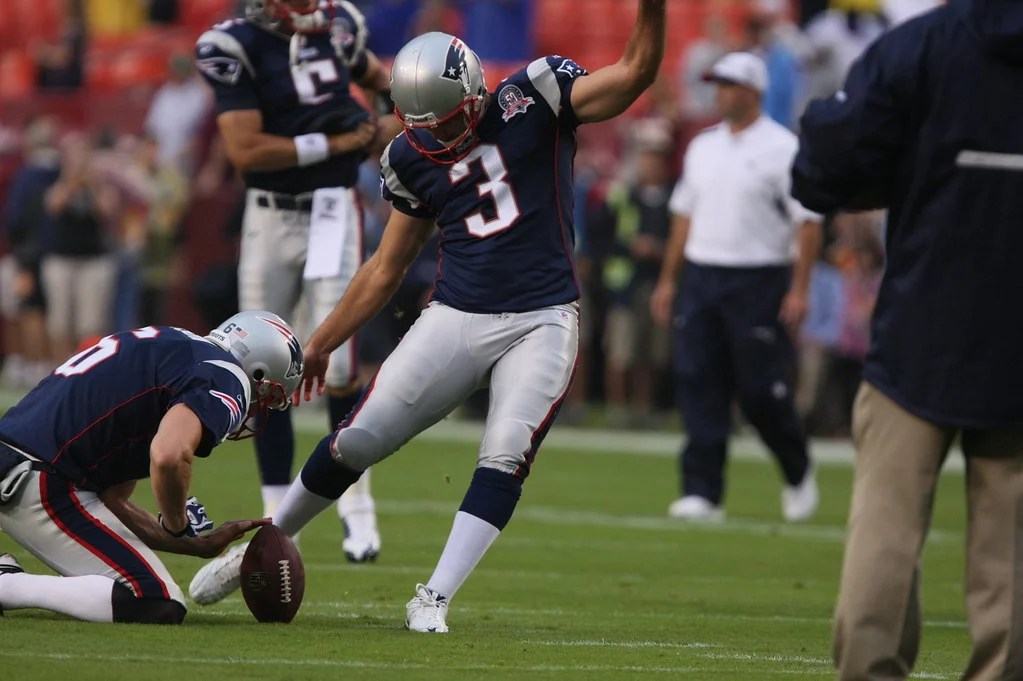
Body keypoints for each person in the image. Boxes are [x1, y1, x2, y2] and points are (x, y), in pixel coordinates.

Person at [189, 0, 668, 632]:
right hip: (457, 315)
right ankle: (262, 544)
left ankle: (434, 597)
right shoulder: (409, 154)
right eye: (424, 127)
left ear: (473, 91)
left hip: (543, 317)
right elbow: (384, 269)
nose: (436, 138)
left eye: (445, 124)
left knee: (505, 450)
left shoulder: (540, 93)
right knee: (357, 438)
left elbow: (633, 71)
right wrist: (322, 342)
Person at [790, 0, 1023, 677]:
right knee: (1008, 543)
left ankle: (870, 667)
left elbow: (833, 158)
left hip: (923, 320)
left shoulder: (918, 47)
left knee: (886, 528)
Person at [194, 0, 401, 562]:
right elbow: (245, 149)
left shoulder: (338, 25)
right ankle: (275, 516)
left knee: (339, 364)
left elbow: (392, 85)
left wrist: (391, 119)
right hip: (269, 215)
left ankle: (357, 507)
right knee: (260, 365)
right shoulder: (232, 44)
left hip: (334, 210)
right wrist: (338, 143)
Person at [0, 311, 301, 623]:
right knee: (154, 600)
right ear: (257, 371)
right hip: (36, 477)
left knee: (152, 593)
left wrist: (190, 544)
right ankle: (6, 585)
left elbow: (113, 497)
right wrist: (178, 525)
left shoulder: (174, 341)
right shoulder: (226, 375)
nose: (256, 407)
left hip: (25, 462)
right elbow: (168, 456)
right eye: (265, 396)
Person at [651, 52, 823, 523]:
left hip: (760, 279)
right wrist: (669, 280)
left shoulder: (783, 148)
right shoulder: (703, 146)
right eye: (717, 84)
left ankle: (796, 467)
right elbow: (683, 216)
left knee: (760, 391)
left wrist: (800, 289)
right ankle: (703, 492)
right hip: (704, 275)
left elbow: (807, 223)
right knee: (698, 381)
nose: (719, 92)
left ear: (753, 91)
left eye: (728, 84)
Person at [599, 122, 675, 429]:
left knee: (651, 352)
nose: (650, 163)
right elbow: (604, 234)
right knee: (621, 350)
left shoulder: (673, 198)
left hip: (657, 282)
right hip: (626, 284)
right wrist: (631, 247)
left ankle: (644, 409)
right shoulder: (624, 195)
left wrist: (657, 250)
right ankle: (618, 408)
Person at [41, 138, 119, 363]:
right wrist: (71, 182)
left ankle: (86, 369)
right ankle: (59, 369)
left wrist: (92, 184)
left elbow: (106, 211)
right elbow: (54, 206)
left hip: (94, 260)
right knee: (59, 322)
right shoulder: (60, 184)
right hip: (61, 258)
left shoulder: (101, 187)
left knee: (91, 323)